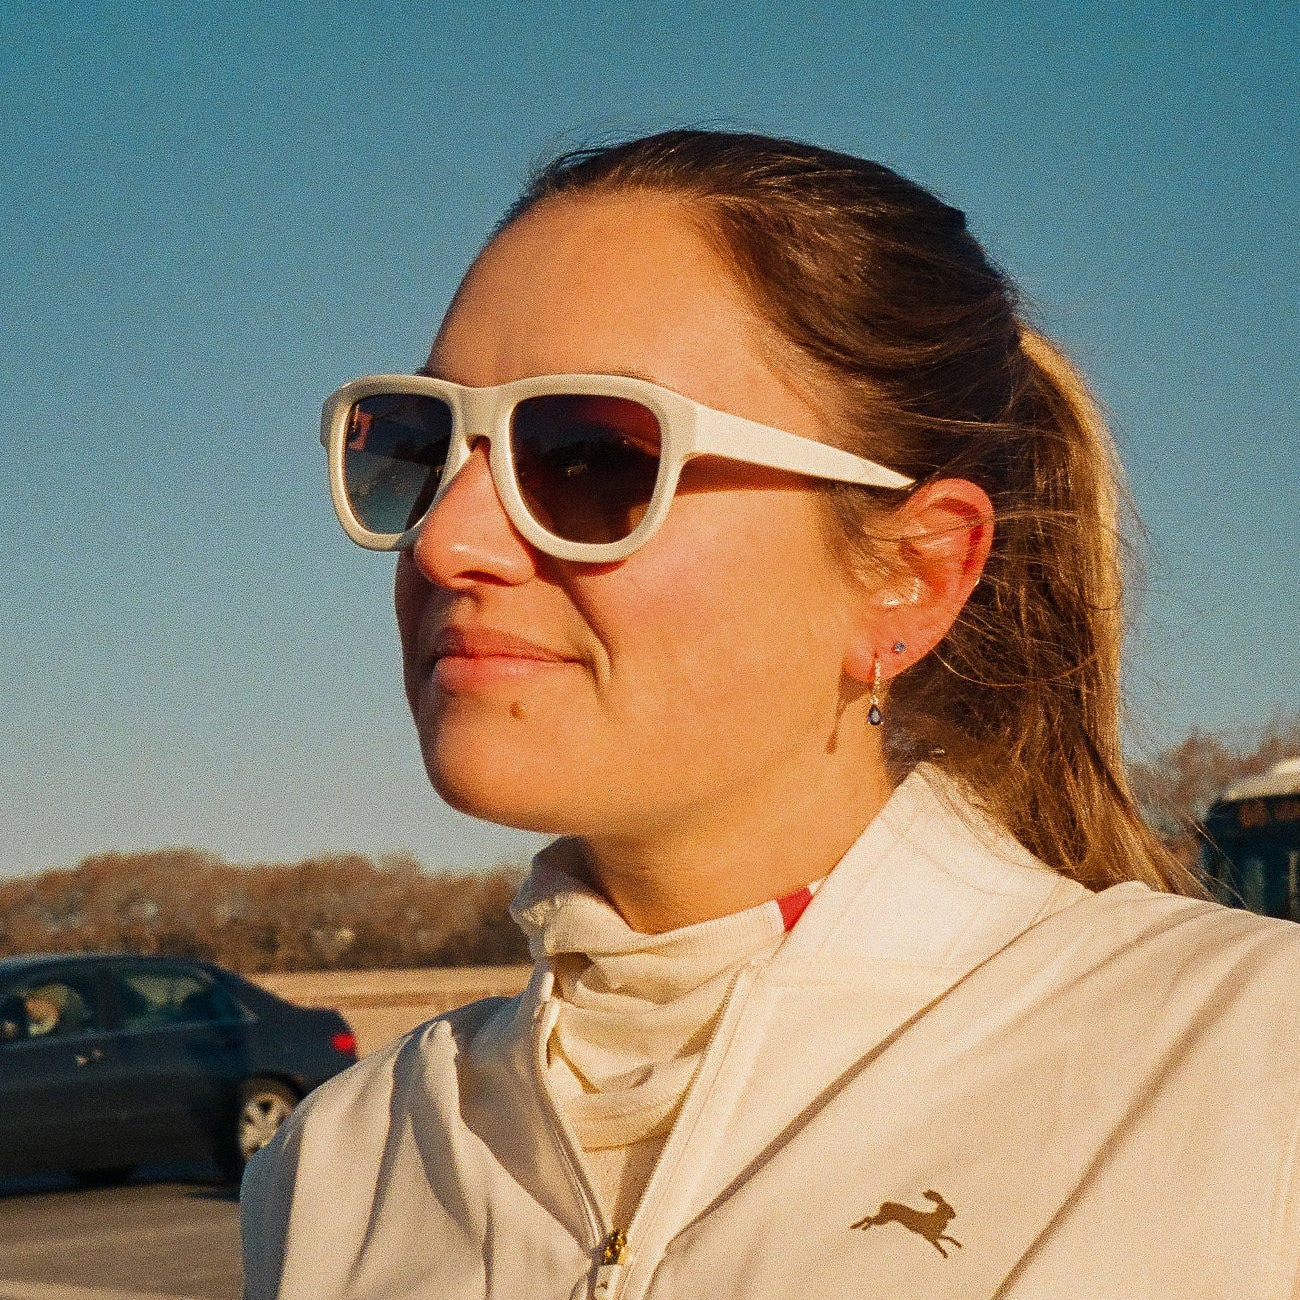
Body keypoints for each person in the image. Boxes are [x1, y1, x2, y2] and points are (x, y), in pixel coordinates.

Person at [240, 130, 1300, 1299]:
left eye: (587, 454)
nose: (446, 539)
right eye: (421, 445)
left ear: (914, 573)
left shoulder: (1248, 1068)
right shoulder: (333, 1168)